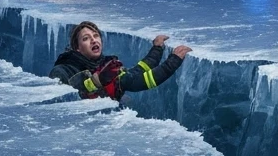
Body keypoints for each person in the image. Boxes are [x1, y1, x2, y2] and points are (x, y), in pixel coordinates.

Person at [48, 20, 190, 102]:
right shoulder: (62, 70)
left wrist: (157, 49)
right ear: (77, 48)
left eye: (96, 35)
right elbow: (64, 100)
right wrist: (96, 82)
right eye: (86, 38)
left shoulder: (108, 66)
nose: (93, 40)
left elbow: (135, 75)